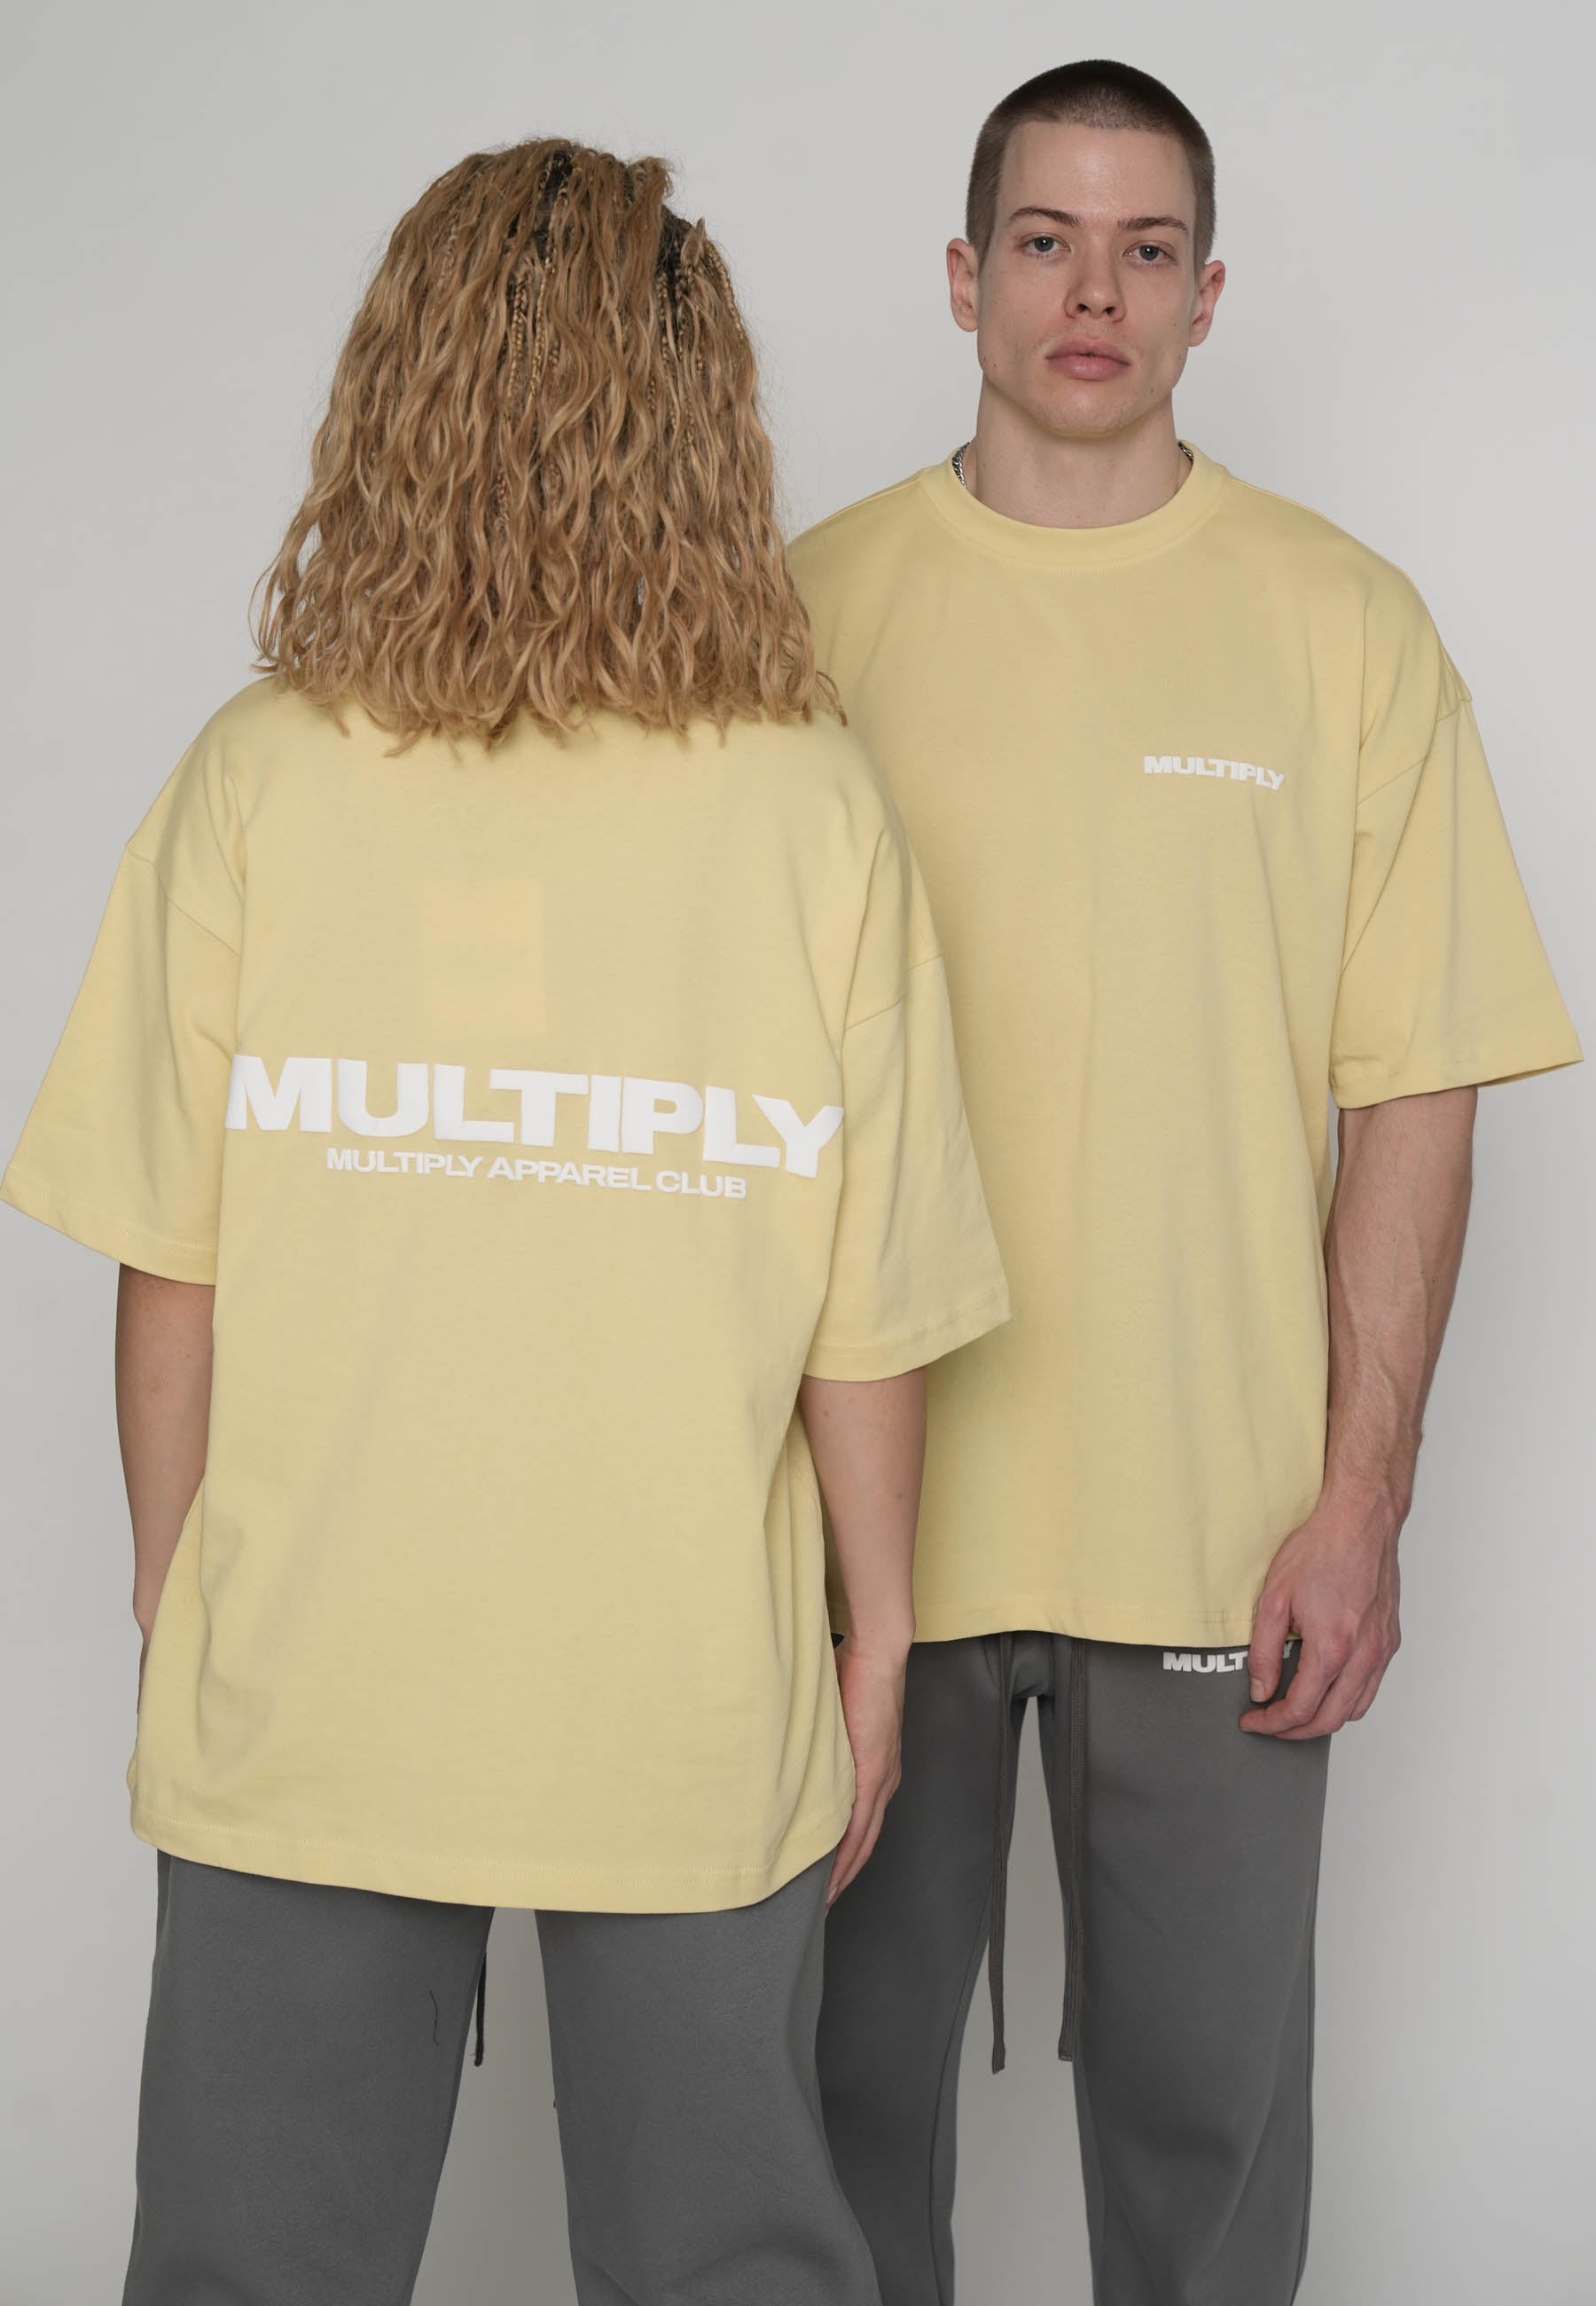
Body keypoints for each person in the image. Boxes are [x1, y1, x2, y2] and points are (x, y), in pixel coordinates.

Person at [0, 137, 1010, 2306]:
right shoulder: (813, 806)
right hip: (685, 1691)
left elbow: (170, 1266)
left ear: (401, 386)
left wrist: (184, 1599)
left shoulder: (259, 777)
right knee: (732, 2266)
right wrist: (880, 1640)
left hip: (315, 1680)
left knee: (251, 2271)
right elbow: (868, 1318)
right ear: (703, 415)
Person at [788, 59, 1581, 2306]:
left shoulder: (1344, 626)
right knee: (823, 2142)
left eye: (1146, 251)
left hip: (1224, 1533)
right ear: (965, 274)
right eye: (1047, 242)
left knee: (1210, 2173)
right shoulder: (802, 616)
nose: (1094, 294)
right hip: (864, 1535)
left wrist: (1364, 1499)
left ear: (1209, 294)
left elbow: (1417, 1090)